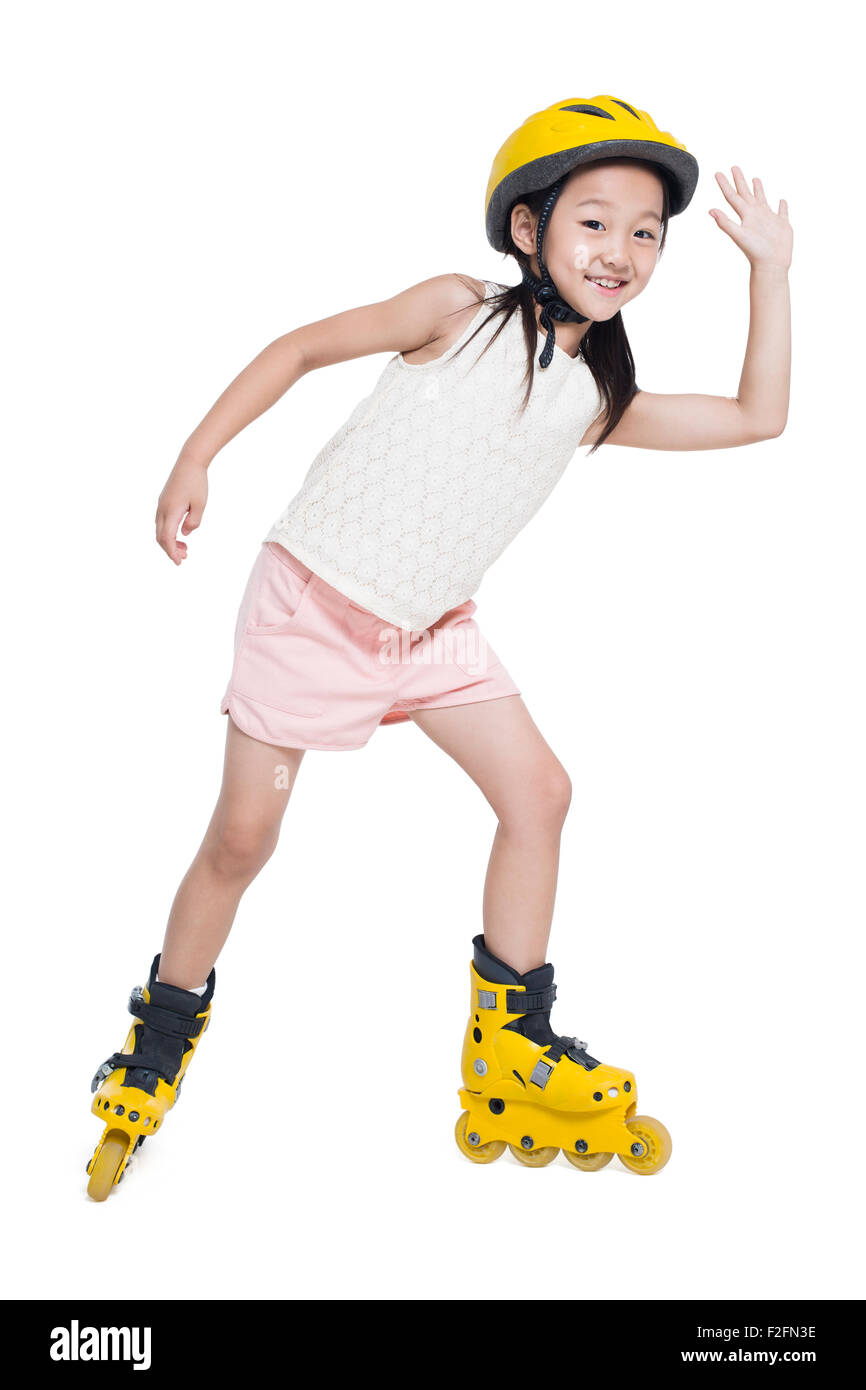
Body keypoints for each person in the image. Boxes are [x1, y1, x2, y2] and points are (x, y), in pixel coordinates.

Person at [86, 95, 792, 1197]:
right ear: (527, 228)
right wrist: (195, 455)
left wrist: (770, 272)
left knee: (539, 794)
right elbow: (301, 347)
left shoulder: (597, 396)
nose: (620, 251)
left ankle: (507, 1041)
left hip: (431, 634)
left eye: (644, 231)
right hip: (310, 611)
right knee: (243, 839)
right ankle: (160, 1034)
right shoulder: (452, 309)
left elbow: (757, 417)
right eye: (593, 222)